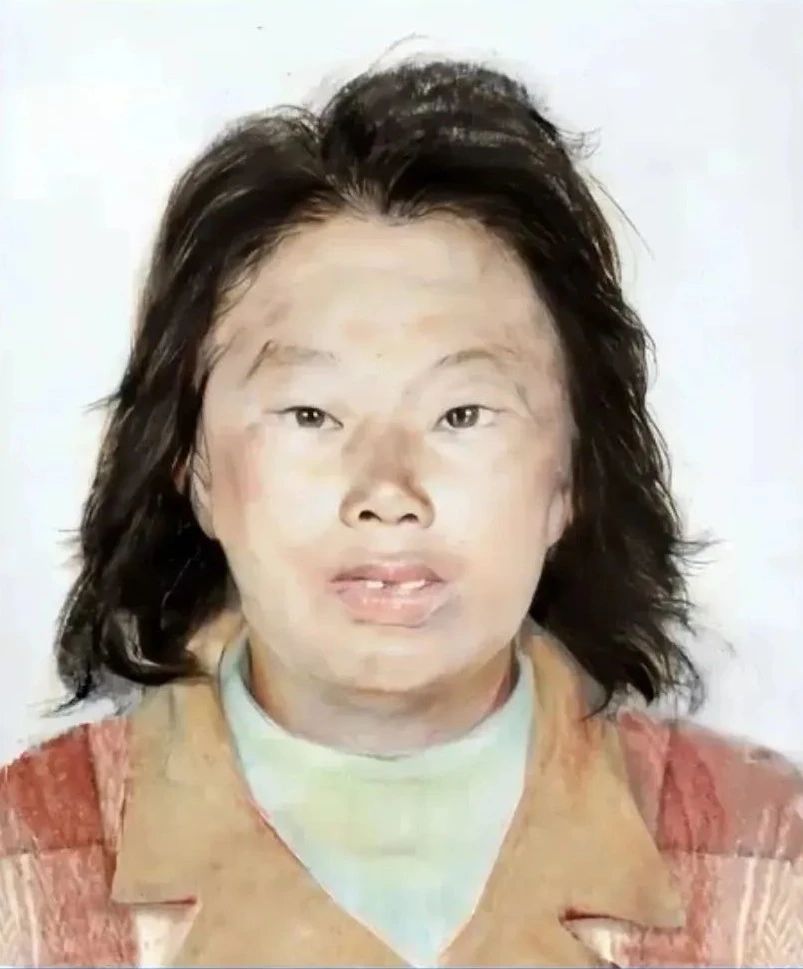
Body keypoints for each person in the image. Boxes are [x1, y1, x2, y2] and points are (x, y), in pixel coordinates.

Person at [0, 58, 800, 968]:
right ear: (193, 466)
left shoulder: (763, 853)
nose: (387, 492)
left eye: (461, 414)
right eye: (311, 414)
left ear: (571, 473)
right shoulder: (25, 861)